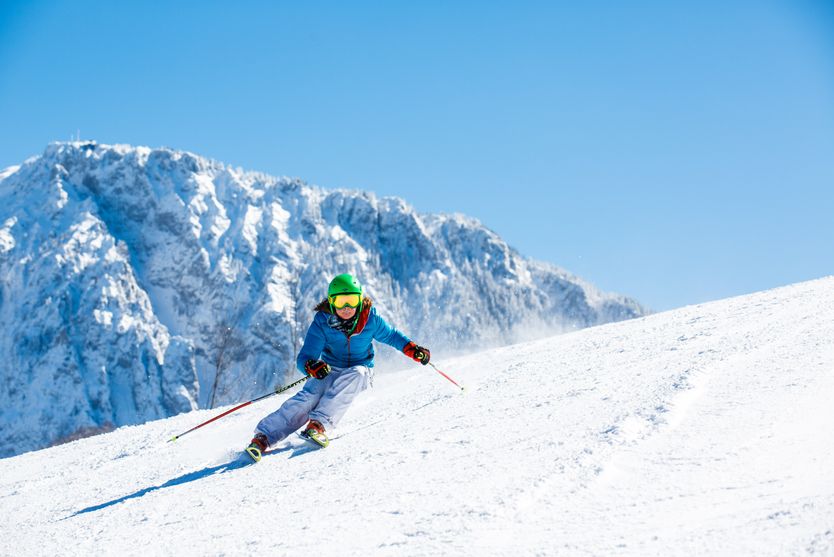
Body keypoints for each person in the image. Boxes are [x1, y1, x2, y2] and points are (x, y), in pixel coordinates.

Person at [245, 273, 431, 461]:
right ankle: (263, 437)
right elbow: (305, 356)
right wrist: (311, 366)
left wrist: (412, 349)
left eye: (352, 300)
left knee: (357, 374)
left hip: (361, 368)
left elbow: (391, 336)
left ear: (360, 300)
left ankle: (318, 425)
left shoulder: (370, 318)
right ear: (332, 302)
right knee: (308, 397)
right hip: (329, 368)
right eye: (341, 302)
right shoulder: (322, 322)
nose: (347, 307)